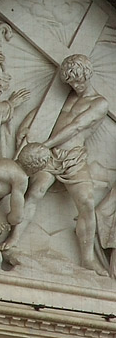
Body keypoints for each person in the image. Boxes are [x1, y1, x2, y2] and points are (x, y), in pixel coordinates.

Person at [20, 55, 109, 273]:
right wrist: (25, 126)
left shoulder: (99, 103)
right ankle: (13, 240)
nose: (75, 86)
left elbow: (77, 126)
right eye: (71, 83)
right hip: (49, 156)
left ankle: (87, 259)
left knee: (86, 204)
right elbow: (45, 111)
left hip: (73, 158)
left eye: (78, 81)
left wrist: (45, 144)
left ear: (87, 75)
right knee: (35, 192)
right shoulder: (66, 98)